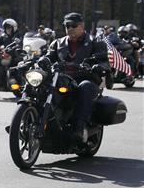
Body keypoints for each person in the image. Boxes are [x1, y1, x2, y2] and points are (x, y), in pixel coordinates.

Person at [41, 12, 109, 145]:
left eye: (73, 25)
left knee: (85, 86)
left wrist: (98, 66)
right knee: (40, 85)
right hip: (61, 79)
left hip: (84, 79)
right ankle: (28, 119)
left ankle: (79, 127)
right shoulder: (58, 43)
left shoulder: (95, 42)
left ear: (82, 26)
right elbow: (49, 56)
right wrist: (42, 60)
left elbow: (104, 61)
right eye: (67, 26)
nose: (70, 28)